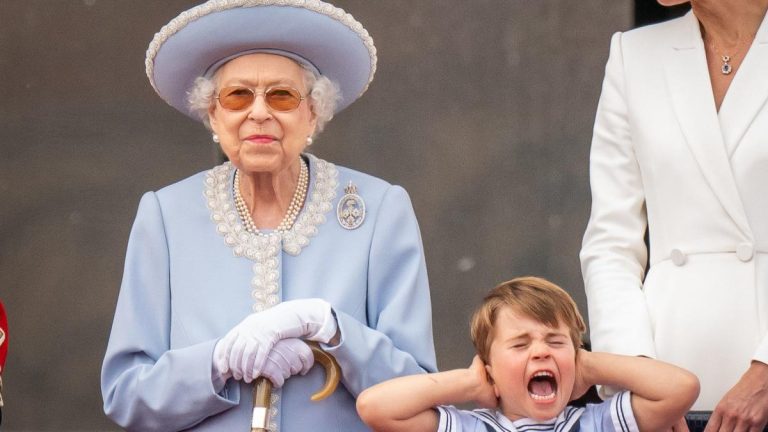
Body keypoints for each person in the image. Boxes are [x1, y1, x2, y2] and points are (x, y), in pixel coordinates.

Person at [100, 1, 436, 430]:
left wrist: (333, 332)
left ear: (313, 112)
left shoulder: (380, 209)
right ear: (214, 116)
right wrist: (217, 361)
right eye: (238, 95)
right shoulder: (165, 215)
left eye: (282, 95)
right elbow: (127, 394)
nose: (259, 112)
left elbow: (418, 391)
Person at [580, 0, 768, 430]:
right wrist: (636, 380)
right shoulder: (635, 55)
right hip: (671, 377)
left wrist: (766, 373)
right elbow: (610, 243)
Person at [356, 276, 700, 432]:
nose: (540, 352)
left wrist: (589, 366)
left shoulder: (598, 422)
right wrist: (469, 383)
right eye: (520, 345)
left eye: (556, 342)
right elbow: (376, 408)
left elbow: (680, 387)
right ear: (489, 368)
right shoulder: (470, 427)